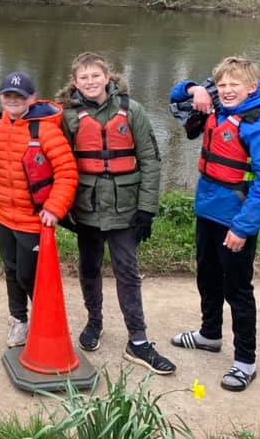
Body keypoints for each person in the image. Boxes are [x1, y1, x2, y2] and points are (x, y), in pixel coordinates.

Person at [169, 56, 260, 392]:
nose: (228, 90)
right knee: (206, 276)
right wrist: (194, 89)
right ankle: (209, 335)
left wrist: (243, 228)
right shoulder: (217, 109)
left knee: (237, 289)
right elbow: (175, 98)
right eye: (222, 85)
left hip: (236, 219)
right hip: (207, 211)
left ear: (251, 87)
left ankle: (245, 361)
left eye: (235, 84)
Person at [56, 53, 175, 375]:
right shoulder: (67, 117)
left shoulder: (133, 111)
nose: (91, 82)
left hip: (125, 210)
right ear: (75, 82)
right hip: (87, 209)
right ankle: (94, 322)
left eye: (96, 75)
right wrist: (62, 206)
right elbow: (60, 164)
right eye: (84, 77)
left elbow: (150, 161)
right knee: (89, 269)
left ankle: (137, 339)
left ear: (108, 77)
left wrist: (147, 209)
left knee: (127, 273)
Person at [0, 71, 78, 348]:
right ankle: (19, 320)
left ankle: (47, 322)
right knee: (10, 270)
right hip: (3, 215)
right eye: (8, 95)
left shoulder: (44, 129)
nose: (13, 100)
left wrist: (55, 209)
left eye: (19, 96)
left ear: (31, 98)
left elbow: (67, 172)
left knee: (28, 275)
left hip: (34, 221)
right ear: (0, 97)